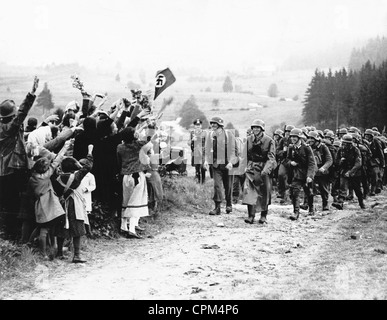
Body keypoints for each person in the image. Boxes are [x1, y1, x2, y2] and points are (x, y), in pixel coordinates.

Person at [0, 76, 39, 238]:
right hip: (13, 169)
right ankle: (14, 234)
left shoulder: (3, 127)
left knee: (5, 202)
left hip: (3, 170)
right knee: (16, 202)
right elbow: (22, 113)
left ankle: (7, 233)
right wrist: (31, 93)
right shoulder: (11, 127)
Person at [28, 140, 72, 260]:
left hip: (39, 204)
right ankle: (43, 254)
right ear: (45, 169)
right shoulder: (45, 176)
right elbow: (57, 161)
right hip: (48, 204)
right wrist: (66, 146)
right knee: (45, 229)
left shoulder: (32, 177)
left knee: (40, 227)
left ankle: (29, 245)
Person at [55, 144, 94, 263]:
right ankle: (76, 255)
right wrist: (89, 152)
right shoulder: (76, 177)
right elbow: (88, 166)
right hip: (75, 204)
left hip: (61, 204)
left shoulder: (57, 178)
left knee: (61, 228)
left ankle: (59, 252)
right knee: (77, 229)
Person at [117, 127, 152, 239]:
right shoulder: (138, 145)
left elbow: (119, 161)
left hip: (126, 176)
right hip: (137, 175)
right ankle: (132, 228)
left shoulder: (120, 147)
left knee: (126, 201)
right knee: (136, 202)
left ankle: (124, 226)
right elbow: (149, 140)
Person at [240, 119, 276, 224]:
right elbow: (244, 155)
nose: (255, 129)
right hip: (251, 168)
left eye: (258, 128)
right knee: (249, 192)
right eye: (254, 127)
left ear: (262, 129)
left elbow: (271, 158)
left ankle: (263, 215)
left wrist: (266, 170)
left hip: (263, 168)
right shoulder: (248, 140)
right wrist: (243, 167)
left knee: (264, 192)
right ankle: (251, 215)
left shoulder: (269, 141)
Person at [204, 116, 239, 215]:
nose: (213, 126)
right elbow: (207, 150)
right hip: (216, 165)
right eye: (212, 124)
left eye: (215, 124)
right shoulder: (210, 136)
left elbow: (234, 151)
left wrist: (231, 162)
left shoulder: (229, 135)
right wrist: (206, 160)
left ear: (220, 125)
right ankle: (217, 207)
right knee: (217, 186)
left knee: (228, 186)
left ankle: (229, 204)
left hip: (228, 164)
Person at [286, 128, 317, 221]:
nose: (293, 139)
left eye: (295, 137)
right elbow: (286, 160)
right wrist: (290, 163)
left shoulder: (307, 148)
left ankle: (311, 208)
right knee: (295, 192)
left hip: (307, 173)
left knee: (309, 192)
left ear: (299, 137)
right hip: (297, 174)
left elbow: (312, 163)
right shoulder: (291, 148)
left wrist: (310, 176)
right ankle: (296, 212)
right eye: (292, 137)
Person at [331, 134, 365, 210]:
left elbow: (358, 163)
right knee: (342, 187)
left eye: (345, 143)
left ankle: (361, 203)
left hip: (355, 172)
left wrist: (350, 172)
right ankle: (340, 202)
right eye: (343, 143)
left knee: (357, 189)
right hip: (344, 170)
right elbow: (336, 161)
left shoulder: (356, 150)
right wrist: (340, 161)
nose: (344, 145)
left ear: (349, 143)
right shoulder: (341, 149)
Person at [306, 131, 332, 212]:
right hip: (312, 170)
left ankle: (325, 204)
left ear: (317, 139)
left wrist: (324, 168)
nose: (310, 140)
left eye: (312, 138)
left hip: (321, 171)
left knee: (323, 188)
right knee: (309, 189)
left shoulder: (323, 147)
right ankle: (310, 207)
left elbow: (329, 160)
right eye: (309, 138)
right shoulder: (307, 147)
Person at [77, 158, 96, 235]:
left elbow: (93, 186)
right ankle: (83, 231)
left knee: (85, 214)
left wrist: (87, 189)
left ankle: (87, 231)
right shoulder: (76, 173)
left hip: (86, 195)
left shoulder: (90, 176)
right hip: (78, 195)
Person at [276, 124, 295, 204]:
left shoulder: (296, 140)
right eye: (286, 131)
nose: (288, 133)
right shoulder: (283, 140)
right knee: (281, 174)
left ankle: (292, 196)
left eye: (289, 131)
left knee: (292, 179)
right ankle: (281, 193)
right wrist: (283, 152)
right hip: (284, 161)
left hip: (294, 163)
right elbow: (277, 151)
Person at [189, 118, 207, 184]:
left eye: (199, 125)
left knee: (203, 167)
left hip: (203, 151)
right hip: (195, 151)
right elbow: (188, 143)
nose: (198, 126)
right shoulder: (192, 133)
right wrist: (192, 140)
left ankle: (203, 181)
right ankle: (198, 181)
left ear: (201, 126)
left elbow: (207, 142)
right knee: (197, 167)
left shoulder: (204, 133)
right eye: (196, 125)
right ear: (194, 126)